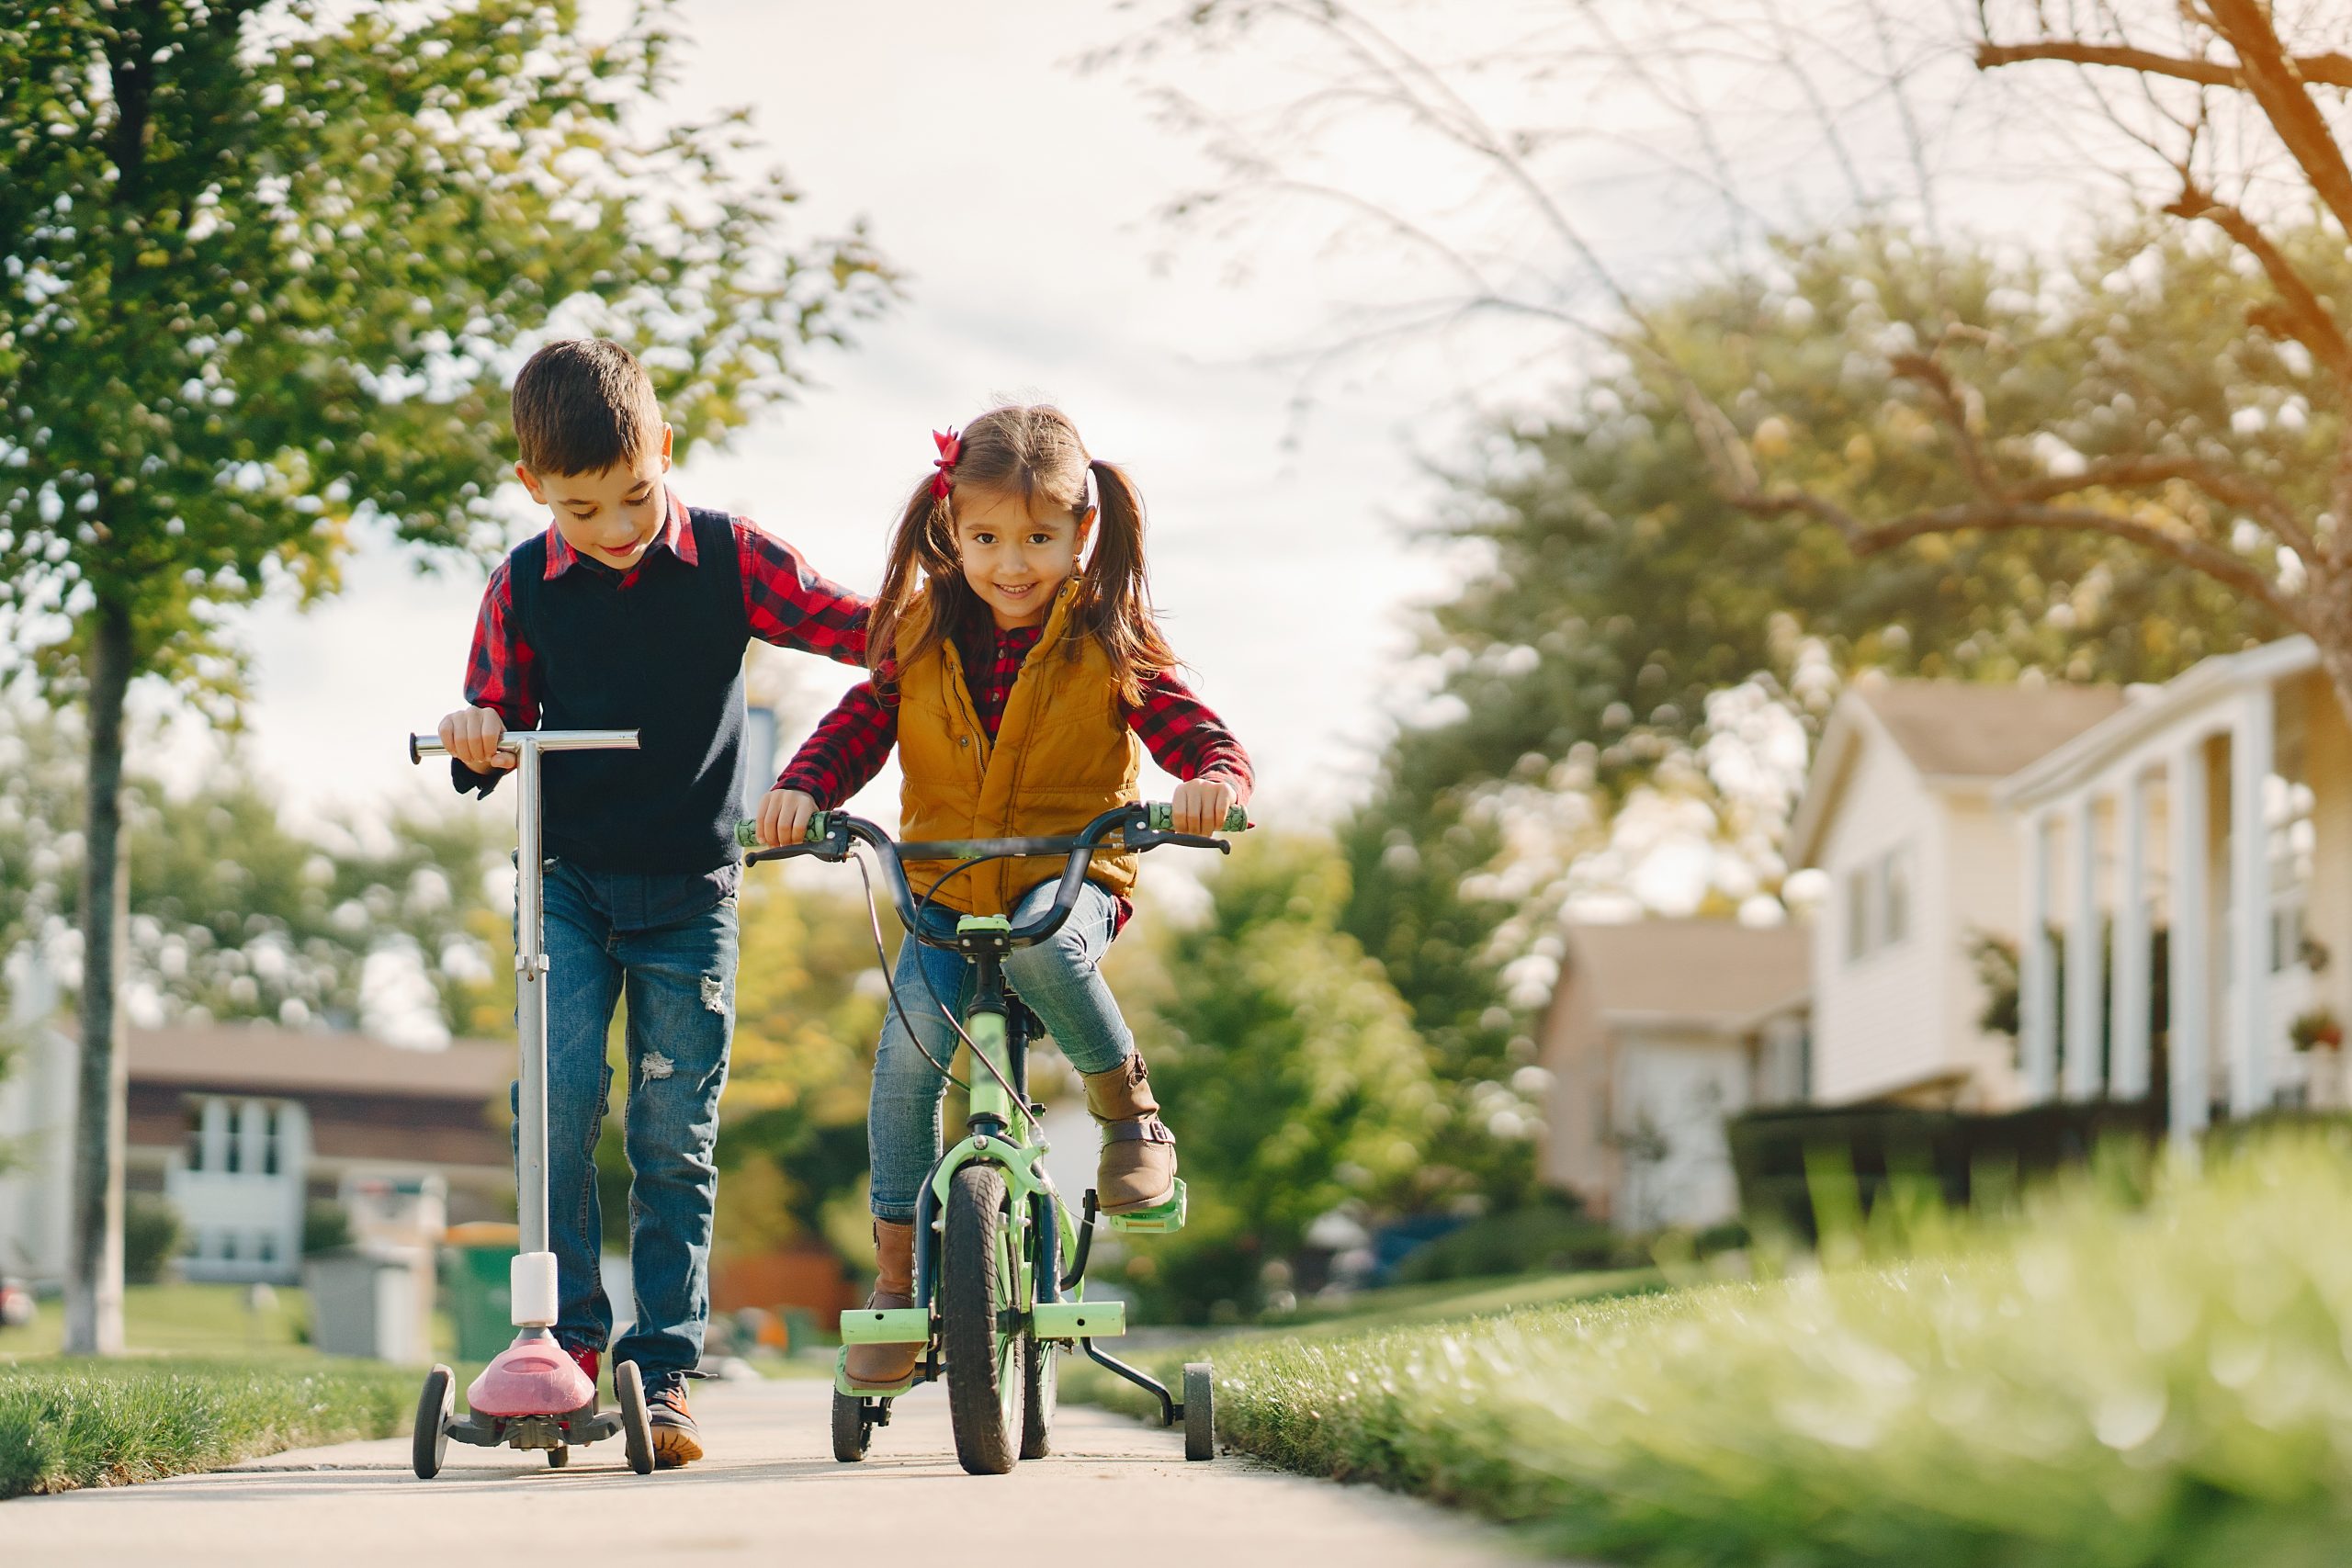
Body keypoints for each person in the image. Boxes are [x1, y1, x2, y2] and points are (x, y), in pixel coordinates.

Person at [437, 338, 868, 1465]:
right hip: (569, 885)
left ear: (664, 452)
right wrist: (476, 733)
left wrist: (967, 619)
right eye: (584, 510)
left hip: (690, 890)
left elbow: (857, 628)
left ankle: (663, 1370)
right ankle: (566, 1349)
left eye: (635, 495)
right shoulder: (523, 585)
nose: (618, 527)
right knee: (559, 1112)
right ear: (535, 489)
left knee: (673, 1134)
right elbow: (492, 724)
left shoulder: (730, 557)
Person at [762, 404, 1253, 1391]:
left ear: (1082, 533)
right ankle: (897, 1284)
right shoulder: (919, 633)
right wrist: (804, 788)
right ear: (951, 529)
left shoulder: (1109, 636)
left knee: (1042, 944)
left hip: (1069, 882)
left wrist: (1214, 784)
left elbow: (1198, 735)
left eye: (1037, 538)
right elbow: (860, 725)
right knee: (903, 1062)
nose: (1011, 563)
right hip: (943, 893)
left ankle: (1130, 1119)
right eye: (986, 538)